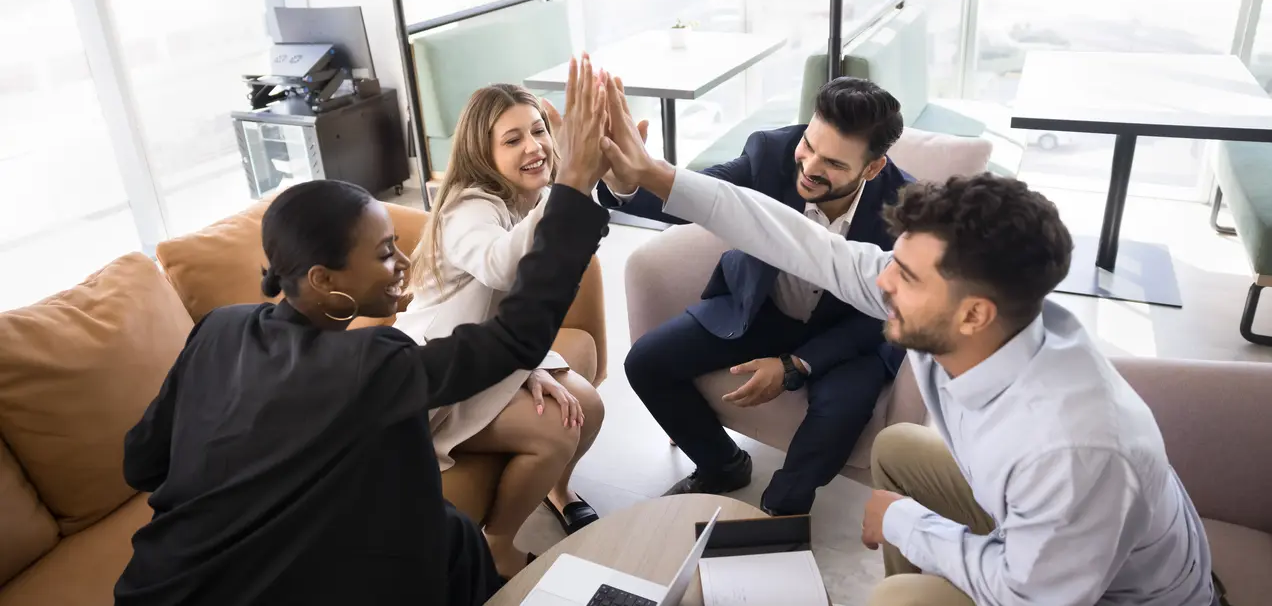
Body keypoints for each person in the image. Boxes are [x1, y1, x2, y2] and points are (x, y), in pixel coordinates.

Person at [597, 107, 1219, 605]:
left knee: (898, 596)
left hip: (1108, 594)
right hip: (1036, 529)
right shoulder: (987, 319)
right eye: (895, 263)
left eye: (909, 278)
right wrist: (651, 173)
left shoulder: (1070, 447)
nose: (884, 284)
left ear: (974, 314)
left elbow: (1029, 593)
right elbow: (790, 237)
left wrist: (905, 523)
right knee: (897, 449)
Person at [113, 60, 613, 606]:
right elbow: (516, 336)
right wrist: (573, 187)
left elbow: (141, 462)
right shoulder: (368, 364)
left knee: (451, 537)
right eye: (384, 253)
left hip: (151, 585)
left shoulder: (219, 327)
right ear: (324, 280)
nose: (405, 262)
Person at [596, 76, 911, 516]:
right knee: (645, 363)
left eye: (833, 163)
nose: (809, 166)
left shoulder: (907, 207)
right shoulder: (769, 153)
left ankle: (781, 510)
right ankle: (722, 465)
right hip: (762, 309)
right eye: (808, 144)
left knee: (842, 408)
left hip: (847, 332)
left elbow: (888, 311)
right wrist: (625, 181)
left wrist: (797, 364)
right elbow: (698, 193)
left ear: (873, 168)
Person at [397, 73, 612, 577]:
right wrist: (568, 187)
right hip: (441, 372)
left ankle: (558, 490)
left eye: (538, 131)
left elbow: (543, 273)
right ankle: (497, 542)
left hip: (492, 349)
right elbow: (502, 267)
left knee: (590, 407)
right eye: (512, 140)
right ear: (482, 152)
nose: (534, 146)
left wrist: (527, 367)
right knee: (557, 430)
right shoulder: (468, 207)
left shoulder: (526, 199)